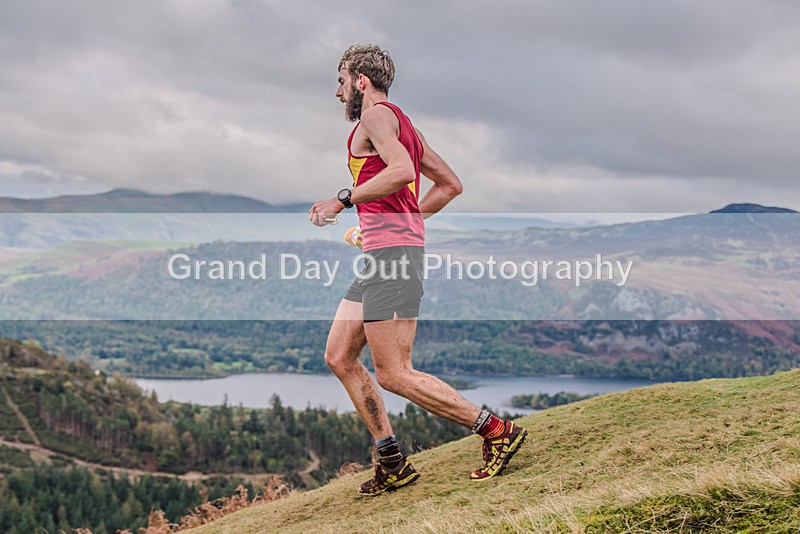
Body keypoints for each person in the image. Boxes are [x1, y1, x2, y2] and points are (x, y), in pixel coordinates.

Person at [309, 44, 526, 495]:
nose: (337, 92)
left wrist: (342, 199)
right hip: (387, 253)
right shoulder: (405, 124)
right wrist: (404, 222)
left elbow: (402, 171)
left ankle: (496, 431)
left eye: (341, 80)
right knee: (339, 355)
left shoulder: (375, 117)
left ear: (360, 81)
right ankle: (391, 459)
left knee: (393, 372)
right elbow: (450, 185)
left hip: (394, 259)